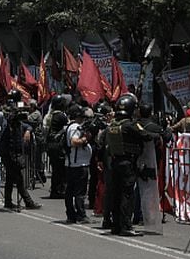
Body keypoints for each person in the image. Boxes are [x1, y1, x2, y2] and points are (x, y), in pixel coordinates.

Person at [104, 92, 153, 237]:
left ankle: (116, 226)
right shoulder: (130, 125)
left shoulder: (112, 125)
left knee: (117, 194)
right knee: (127, 195)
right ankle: (126, 225)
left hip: (115, 162)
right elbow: (147, 136)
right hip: (127, 163)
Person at [0, 103, 40, 211]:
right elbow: (7, 126)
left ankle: (8, 202)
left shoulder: (19, 124)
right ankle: (28, 202)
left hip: (16, 154)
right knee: (19, 180)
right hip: (9, 154)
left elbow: (29, 126)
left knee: (10, 179)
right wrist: (11, 118)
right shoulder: (7, 125)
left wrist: (28, 131)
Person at [64, 105, 93, 224]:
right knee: (79, 192)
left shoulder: (73, 126)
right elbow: (74, 142)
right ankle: (80, 215)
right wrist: (85, 139)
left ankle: (72, 214)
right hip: (78, 164)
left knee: (71, 191)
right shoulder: (74, 127)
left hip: (75, 164)